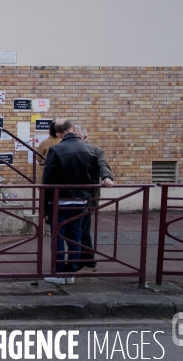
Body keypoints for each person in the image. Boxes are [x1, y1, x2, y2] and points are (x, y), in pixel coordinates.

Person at [42, 118, 113, 285]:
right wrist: (107, 177)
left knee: (58, 238)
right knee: (76, 236)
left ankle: (59, 273)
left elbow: (48, 180)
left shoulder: (56, 150)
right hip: (81, 201)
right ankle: (71, 272)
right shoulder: (91, 149)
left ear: (58, 133)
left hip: (59, 201)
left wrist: (45, 204)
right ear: (73, 128)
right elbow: (101, 166)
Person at [74, 126, 113, 271]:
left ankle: (79, 259)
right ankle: (88, 259)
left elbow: (103, 165)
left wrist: (107, 177)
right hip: (80, 195)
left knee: (79, 229)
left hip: (86, 195)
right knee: (82, 228)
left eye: (78, 137)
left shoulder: (95, 151)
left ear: (85, 137)